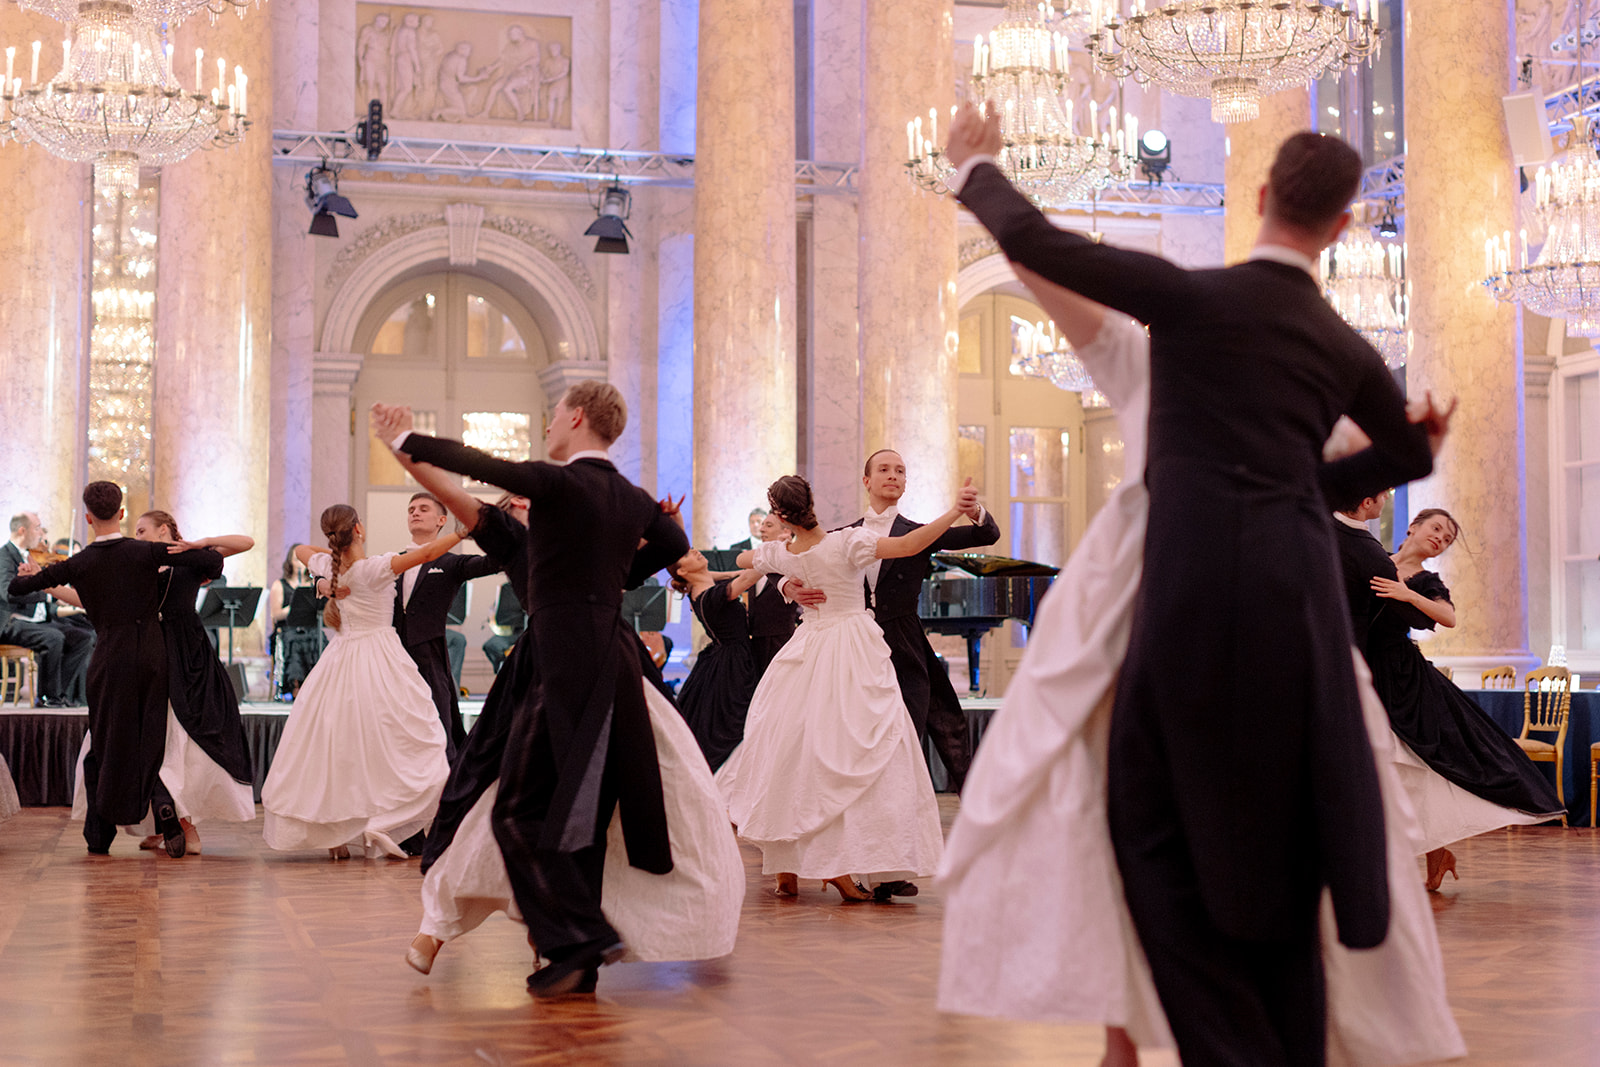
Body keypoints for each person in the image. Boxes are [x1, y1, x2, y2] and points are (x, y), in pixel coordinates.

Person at [946, 108, 1439, 1064]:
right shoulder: (1341, 346)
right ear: (1342, 227)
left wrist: (977, 163)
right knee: (1286, 837)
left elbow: (1037, 244)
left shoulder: (1189, 302)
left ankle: (1189, 1034)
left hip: (1183, 587)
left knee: (1144, 819)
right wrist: (1305, 487)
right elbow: (1409, 447)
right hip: (1293, 597)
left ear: (1258, 198)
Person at [374, 379, 691, 997]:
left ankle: (582, 937)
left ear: (575, 417)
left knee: (519, 812)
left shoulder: (561, 481)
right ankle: (573, 957)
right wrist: (618, 573)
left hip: (562, 657)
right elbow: (676, 543)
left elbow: (477, 465)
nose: (548, 427)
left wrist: (403, 439)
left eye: (552, 417)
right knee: (582, 809)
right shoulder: (631, 497)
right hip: (612, 656)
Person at [718, 475, 968, 903]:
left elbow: (746, 559)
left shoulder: (784, 550)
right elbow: (910, 546)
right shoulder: (846, 542)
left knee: (799, 752)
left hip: (807, 651)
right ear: (811, 502)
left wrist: (781, 577)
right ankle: (837, 862)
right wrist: (954, 511)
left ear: (779, 515)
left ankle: (788, 867)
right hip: (851, 649)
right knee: (852, 751)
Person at [1340, 503, 1565, 889]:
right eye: (1437, 529)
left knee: (1421, 762)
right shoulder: (1371, 555)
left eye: (1446, 540)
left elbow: (1448, 617)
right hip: (1364, 669)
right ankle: (1418, 851)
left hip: (1402, 678)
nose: (1439, 539)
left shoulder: (1426, 582)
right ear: (1413, 526)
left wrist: (1406, 595)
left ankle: (1429, 851)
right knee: (1383, 764)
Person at [9, 482, 223, 856]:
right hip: (154, 657)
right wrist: (187, 546)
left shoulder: (81, 562)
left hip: (110, 658)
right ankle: (161, 803)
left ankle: (99, 836)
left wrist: (32, 574)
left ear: (88, 517)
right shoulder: (145, 552)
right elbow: (211, 563)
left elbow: (16, 589)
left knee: (105, 746)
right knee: (151, 740)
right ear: (122, 514)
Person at [57, 512, 260, 855]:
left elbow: (246, 543)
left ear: (163, 529)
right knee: (162, 740)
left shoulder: (190, 558)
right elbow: (92, 601)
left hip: (182, 653)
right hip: (152, 650)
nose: (136, 536)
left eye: (141, 530)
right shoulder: (140, 562)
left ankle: (184, 826)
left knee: (174, 739)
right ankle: (163, 824)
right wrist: (50, 585)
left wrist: (199, 543)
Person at [260, 505, 455, 860]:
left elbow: (301, 550)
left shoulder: (331, 568)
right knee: (396, 740)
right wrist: (464, 532)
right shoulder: (375, 568)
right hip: (381, 658)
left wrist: (323, 582)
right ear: (360, 530)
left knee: (337, 745)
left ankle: (337, 836)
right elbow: (427, 553)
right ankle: (379, 821)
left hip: (340, 660)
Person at [392, 491, 502, 765]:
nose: (415, 513)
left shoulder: (451, 563)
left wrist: (492, 529)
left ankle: (444, 782)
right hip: (393, 655)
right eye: (411, 509)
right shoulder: (393, 562)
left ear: (441, 520)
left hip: (429, 654)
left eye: (423, 509)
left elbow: (493, 563)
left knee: (439, 720)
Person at [670, 549, 759, 771]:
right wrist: (776, 553)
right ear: (682, 570)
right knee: (734, 725)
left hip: (721, 658)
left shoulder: (696, 587)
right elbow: (747, 578)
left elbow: (723, 575)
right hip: (734, 664)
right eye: (688, 554)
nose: (696, 551)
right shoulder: (710, 597)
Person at [1, 512, 94, 707]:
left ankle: (59, 693)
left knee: (84, 637)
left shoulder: (32, 556)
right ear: (22, 530)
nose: (41, 533)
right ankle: (47, 697)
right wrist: (50, 595)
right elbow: (7, 592)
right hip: (12, 620)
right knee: (53, 637)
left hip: (38, 622)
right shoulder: (4, 556)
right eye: (37, 528)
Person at [746, 512, 800, 680]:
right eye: (762, 525)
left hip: (781, 640)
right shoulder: (758, 558)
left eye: (768, 526)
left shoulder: (794, 559)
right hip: (755, 642)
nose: (761, 529)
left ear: (787, 531)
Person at [268, 545, 325, 699]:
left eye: (301, 560)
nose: (299, 563)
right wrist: (293, 607)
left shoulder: (313, 584)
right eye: (296, 559)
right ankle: (296, 688)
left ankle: (317, 688)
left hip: (309, 629)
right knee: (295, 641)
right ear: (290, 562)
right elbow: (276, 614)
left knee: (320, 638)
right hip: (287, 630)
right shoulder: (280, 585)